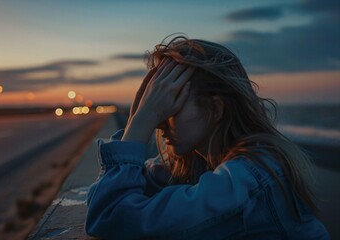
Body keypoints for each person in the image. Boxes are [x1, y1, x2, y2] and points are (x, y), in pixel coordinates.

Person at [85, 35, 330, 239]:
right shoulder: (197, 162)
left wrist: (139, 124)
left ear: (215, 109)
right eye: (156, 106)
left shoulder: (248, 178)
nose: (158, 122)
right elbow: (102, 203)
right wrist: (136, 120)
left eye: (170, 106)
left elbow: (110, 217)